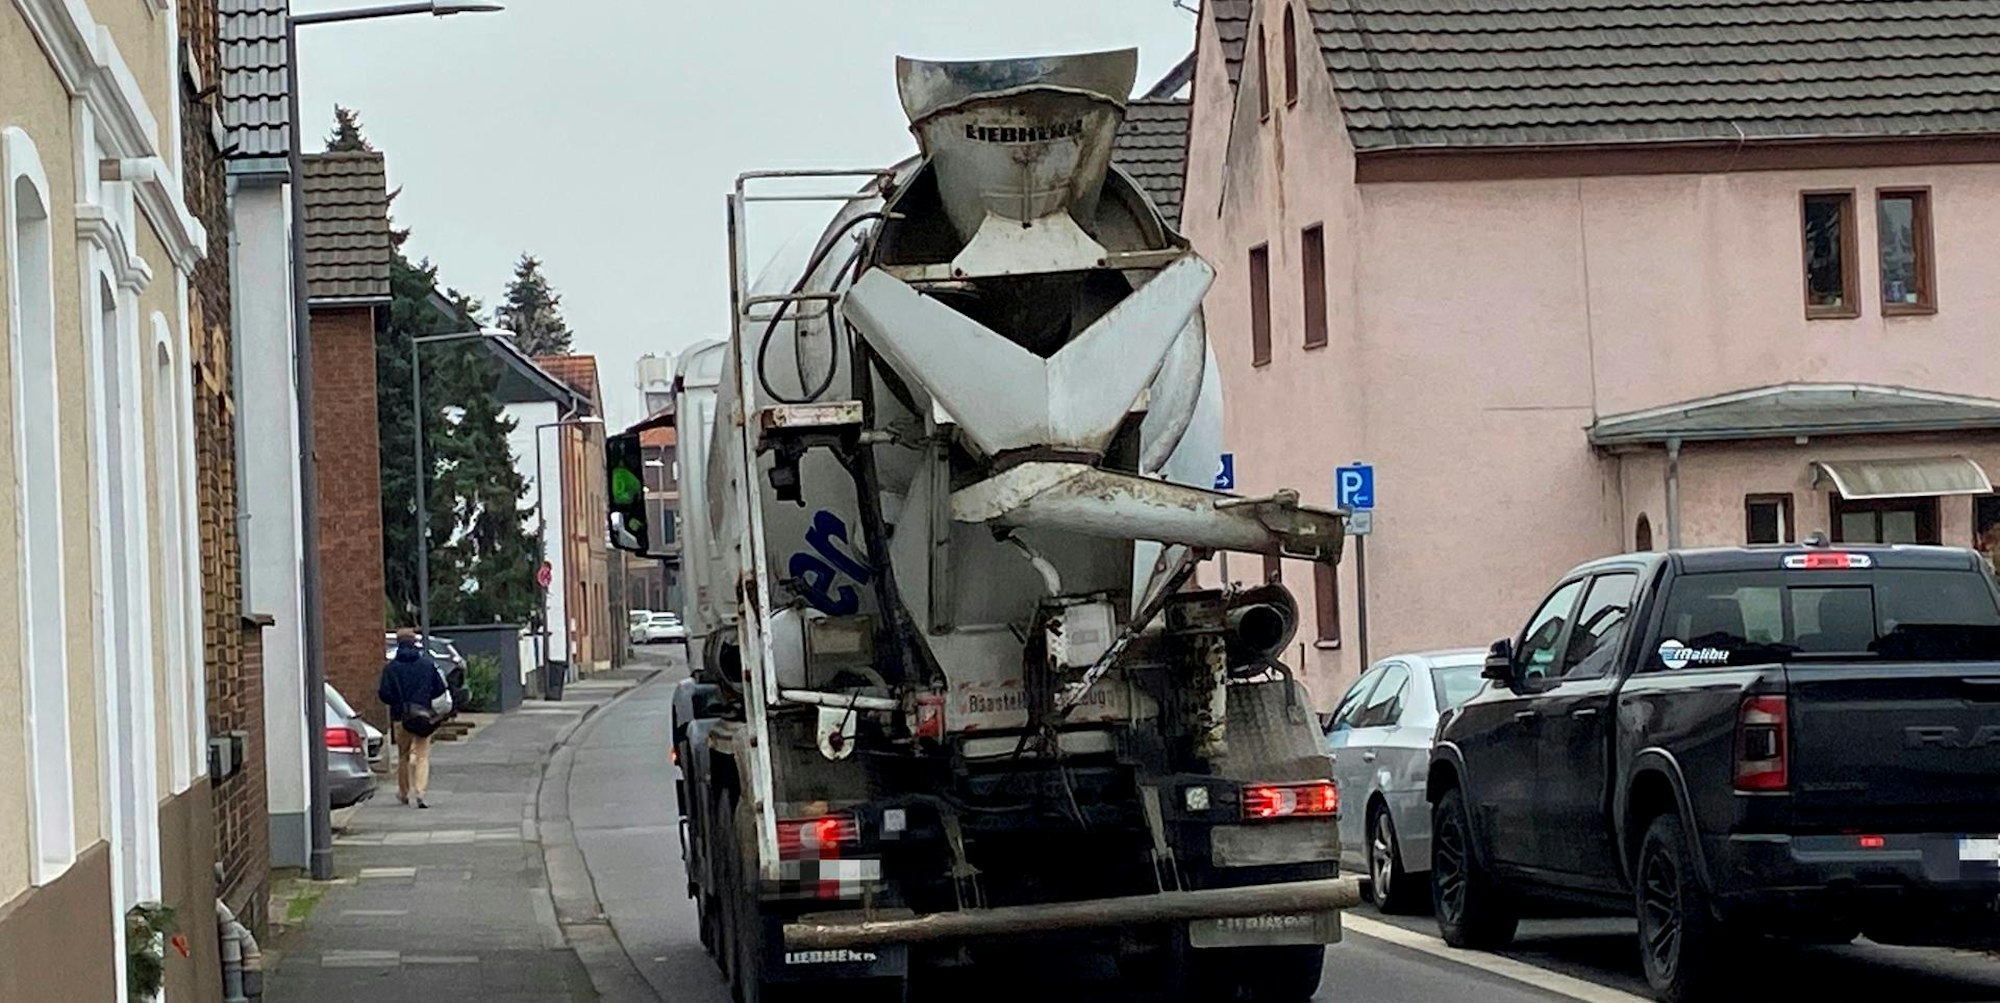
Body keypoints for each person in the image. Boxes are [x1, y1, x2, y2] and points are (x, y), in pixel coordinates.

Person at [378, 628, 448, 808]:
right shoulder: (426, 665)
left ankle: (403, 792)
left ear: (399, 643)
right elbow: (439, 688)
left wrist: (397, 702)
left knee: (403, 755)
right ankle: (420, 792)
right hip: (423, 715)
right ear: (415, 642)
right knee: (422, 755)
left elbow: (384, 694)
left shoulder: (391, 668)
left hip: (401, 717)